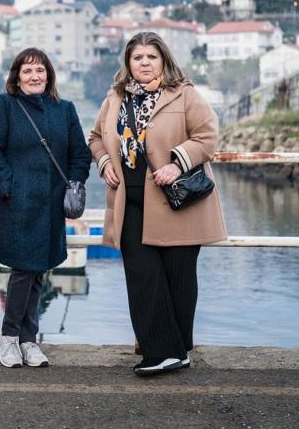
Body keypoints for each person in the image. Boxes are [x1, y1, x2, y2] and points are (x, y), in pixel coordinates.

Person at [88, 31, 226, 376]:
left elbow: (207, 136)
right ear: (128, 63)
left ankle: (178, 350)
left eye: (151, 56)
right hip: (129, 201)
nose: (145, 63)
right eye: (138, 57)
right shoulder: (115, 99)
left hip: (175, 200)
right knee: (142, 275)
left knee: (179, 277)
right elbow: (95, 137)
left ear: (163, 60)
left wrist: (176, 162)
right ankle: (160, 352)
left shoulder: (185, 94)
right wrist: (105, 163)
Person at [0, 48, 91, 368]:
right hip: (16, 205)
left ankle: (28, 340)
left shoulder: (64, 110)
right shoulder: (5, 106)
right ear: (16, 76)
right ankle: (11, 337)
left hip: (51, 206)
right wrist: (8, 186)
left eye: (40, 70)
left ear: (49, 75)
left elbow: (80, 155)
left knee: (38, 270)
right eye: (27, 71)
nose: (34, 76)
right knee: (23, 270)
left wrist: (75, 183)